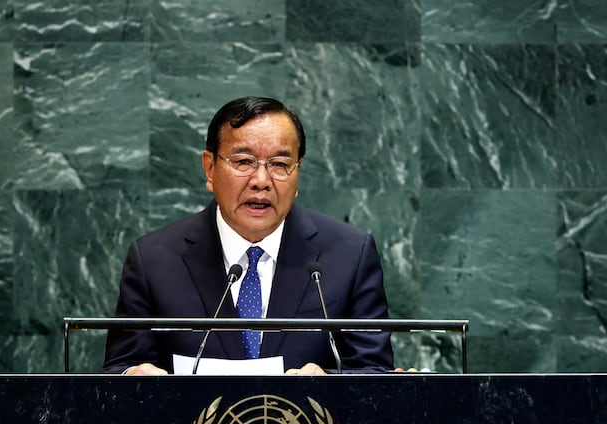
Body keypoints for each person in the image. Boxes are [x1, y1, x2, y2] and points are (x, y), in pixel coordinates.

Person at [102, 96, 394, 375]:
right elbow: (121, 367)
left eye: (280, 164)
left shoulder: (349, 255)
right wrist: (134, 375)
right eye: (243, 162)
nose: (261, 181)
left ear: (297, 173)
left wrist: (326, 381)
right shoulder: (153, 260)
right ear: (210, 169)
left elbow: (375, 371)